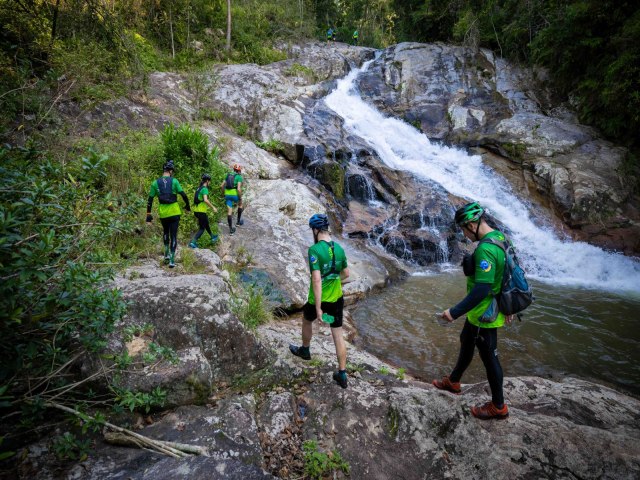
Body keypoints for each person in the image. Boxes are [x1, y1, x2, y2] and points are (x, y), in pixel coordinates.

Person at [432, 202, 512, 420]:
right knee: (466, 340)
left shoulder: (486, 249)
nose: (465, 235)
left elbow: (482, 289)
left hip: (486, 313)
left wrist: (454, 312)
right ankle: (454, 381)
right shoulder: (499, 237)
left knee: (489, 357)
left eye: (464, 230)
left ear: (472, 224)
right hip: (483, 310)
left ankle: (498, 406)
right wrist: (509, 305)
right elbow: (508, 270)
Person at [289, 214, 350, 388]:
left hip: (319, 300)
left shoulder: (314, 250)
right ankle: (342, 374)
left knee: (307, 320)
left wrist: (318, 308)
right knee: (337, 333)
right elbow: (346, 274)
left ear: (315, 230)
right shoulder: (339, 248)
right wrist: (333, 279)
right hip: (336, 299)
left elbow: (316, 280)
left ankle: (305, 350)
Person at [146, 161, 190, 268]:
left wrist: (148, 214)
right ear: (170, 171)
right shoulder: (174, 181)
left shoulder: (155, 183)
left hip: (163, 213)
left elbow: (150, 200)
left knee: (165, 232)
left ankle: (166, 254)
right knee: (173, 235)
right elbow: (183, 194)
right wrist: (187, 206)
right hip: (174, 212)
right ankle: (172, 260)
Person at [189, 173, 218, 249]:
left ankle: (212, 236)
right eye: (210, 181)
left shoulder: (199, 188)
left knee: (206, 223)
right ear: (207, 181)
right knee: (202, 228)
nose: (210, 183)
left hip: (196, 210)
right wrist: (213, 207)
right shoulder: (205, 189)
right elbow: (205, 200)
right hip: (201, 211)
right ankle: (193, 242)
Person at [220, 163, 244, 235]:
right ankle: (238, 222)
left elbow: (221, 186)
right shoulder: (239, 177)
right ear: (239, 170)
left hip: (227, 194)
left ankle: (231, 230)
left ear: (233, 169)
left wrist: (224, 193)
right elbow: (239, 189)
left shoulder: (228, 175)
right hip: (234, 195)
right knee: (240, 205)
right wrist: (240, 198)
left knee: (229, 211)